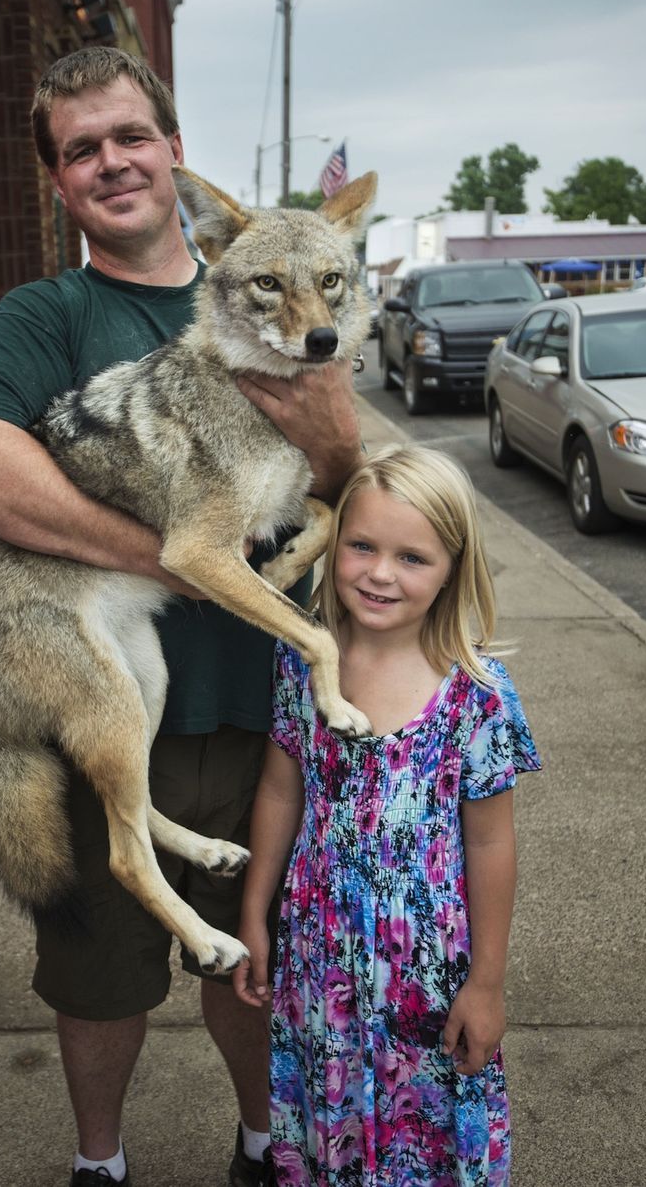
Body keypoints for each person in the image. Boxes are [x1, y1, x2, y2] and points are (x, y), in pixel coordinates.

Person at [0, 46, 363, 1187]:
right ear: (57, 181)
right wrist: (174, 560)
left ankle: (264, 1144)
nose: (111, 163)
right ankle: (100, 1162)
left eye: (129, 137)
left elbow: (340, 477)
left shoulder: (289, 293)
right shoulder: (48, 313)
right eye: (80, 150)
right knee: (99, 975)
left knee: (253, 958)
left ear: (174, 151)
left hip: (251, 714)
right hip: (97, 676)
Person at [233, 445, 542, 1186]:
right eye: (361, 545)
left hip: (427, 973)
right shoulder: (302, 659)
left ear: (451, 569)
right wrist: (253, 914)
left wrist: (487, 984)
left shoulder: (477, 693)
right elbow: (281, 790)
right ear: (332, 544)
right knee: (328, 1123)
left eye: (411, 557)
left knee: (422, 1137)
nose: (379, 572)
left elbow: (491, 841)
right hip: (318, 958)